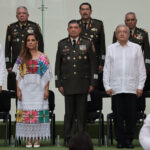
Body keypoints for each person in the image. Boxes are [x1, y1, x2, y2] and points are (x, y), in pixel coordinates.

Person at [55, 20, 98, 145]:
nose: (73, 29)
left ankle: (82, 140)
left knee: (81, 114)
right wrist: (59, 84)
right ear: (68, 29)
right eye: (71, 27)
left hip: (83, 84)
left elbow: (93, 65)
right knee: (69, 114)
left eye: (75, 27)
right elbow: (58, 66)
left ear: (79, 30)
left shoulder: (87, 43)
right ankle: (68, 138)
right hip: (67, 85)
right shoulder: (62, 44)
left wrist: (93, 83)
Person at [103, 24, 146, 148]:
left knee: (131, 116)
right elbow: (107, 69)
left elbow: (141, 70)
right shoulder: (111, 48)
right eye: (119, 32)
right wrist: (107, 86)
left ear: (128, 34)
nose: (122, 34)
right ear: (116, 34)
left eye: (124, 32)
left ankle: (129, 140)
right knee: (118, 116)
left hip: (132, 88)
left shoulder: (136, 48)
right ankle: (120, 141)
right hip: (116, 88)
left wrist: (140, 86)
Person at [13, 33, 52, 148]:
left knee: (37, 114)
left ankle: (37, 139)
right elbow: (18, 77)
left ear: (37, 42)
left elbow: (47, 75)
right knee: (27, 114)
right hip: (26, 91)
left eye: (33, 40)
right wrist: (18, 91)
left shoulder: (43, 57)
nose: (30, 42)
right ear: (26, 43)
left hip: (39, 91)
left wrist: (46, 90)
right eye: (28, 40)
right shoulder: (21, 58)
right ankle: (28, 139)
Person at [5, 6, 44, 90]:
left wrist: (40, 62)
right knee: (18, 90)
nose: (21, 15)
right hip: (17, 64)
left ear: (28, 15)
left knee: (32, 89)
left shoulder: (35, 26)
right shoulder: (11, 28)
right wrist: (8, 65)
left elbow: (40, 46)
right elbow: (7, 48)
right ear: (16, 16)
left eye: (24, 13)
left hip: (32, 64)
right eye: (19, 13)